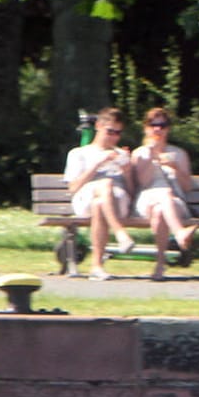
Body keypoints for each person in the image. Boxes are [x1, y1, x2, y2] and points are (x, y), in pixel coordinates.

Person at [62, 107, 135, 280]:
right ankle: (120, 233)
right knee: (105, 185)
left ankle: (97, 266)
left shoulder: (121, 155)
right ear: (98, 126)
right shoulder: (79, 153)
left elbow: (132, 192)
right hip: (84, 198)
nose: (114, 137)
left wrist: (127, 171)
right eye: (110, 131)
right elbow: (73, 187)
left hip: (117, 203)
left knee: (100, 203)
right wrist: (96, 165)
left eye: (118, 133)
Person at [130, 107, 197, 281]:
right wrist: (152, 157)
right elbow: (143, 182)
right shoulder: (139, 153)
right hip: (146, 200)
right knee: (163, 193)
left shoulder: (178, 154)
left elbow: (187, 187)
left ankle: (160, 265)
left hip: (175, 202)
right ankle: (180, 233)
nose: (157, 129)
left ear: (168, 128)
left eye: (162, 125)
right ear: (146, 128)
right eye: (153, 125)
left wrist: (175, 168)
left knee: (162, 207)